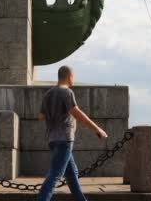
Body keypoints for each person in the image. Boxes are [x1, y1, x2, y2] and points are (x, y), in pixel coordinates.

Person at [37, 66, 108, 201]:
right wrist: (98, 129)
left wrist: (54, 112)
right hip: (64, 138)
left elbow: (41, 116)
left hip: (52, 139)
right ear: (69, 76)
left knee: (71, 173)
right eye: (73, 76)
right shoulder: (67, 92)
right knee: (55, 175)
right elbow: (77, 113)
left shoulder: (48, 94)